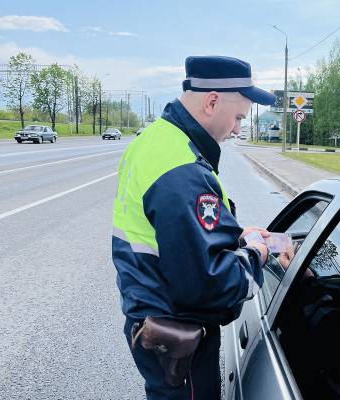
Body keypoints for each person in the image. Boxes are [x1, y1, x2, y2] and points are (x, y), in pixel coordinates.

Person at [112, 56, 279, 399]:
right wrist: (256, 254)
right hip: (178, 332)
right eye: (237, 118)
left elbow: (177, 233)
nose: (236, 130)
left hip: (152, 317)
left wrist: (236, 235)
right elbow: (209, 285)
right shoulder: (184, 169)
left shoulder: (158, 140)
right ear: (212, 101)